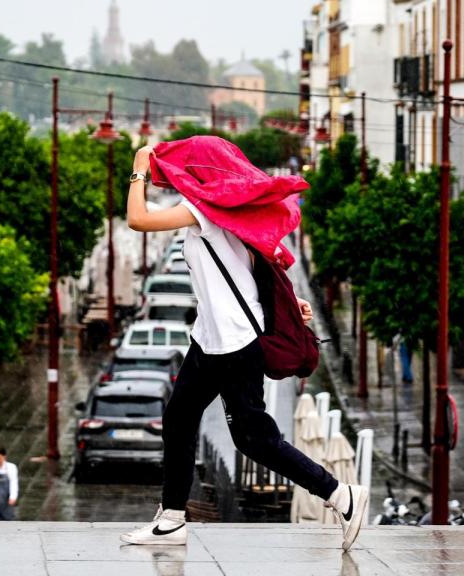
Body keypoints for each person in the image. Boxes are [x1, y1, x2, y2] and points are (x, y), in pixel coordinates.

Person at [119, 139, 368, 552]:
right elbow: (258, 268)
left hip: (235, 343)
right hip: (209, 340)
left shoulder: (205, 211)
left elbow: (137, 219)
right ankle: (173, 518)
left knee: (255, 439)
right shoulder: (225, 212)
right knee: (179, 419)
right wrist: (291, 303)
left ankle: (341, 496)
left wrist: (138, 169)